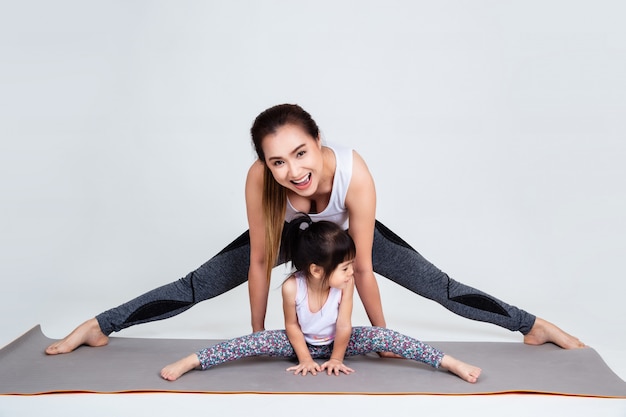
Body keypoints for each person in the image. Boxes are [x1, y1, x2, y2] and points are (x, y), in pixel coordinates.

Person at [45, 103, 584, 356]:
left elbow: (365, 266)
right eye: (277, 161)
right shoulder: (262, 180)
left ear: (318, 141)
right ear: (265, 163)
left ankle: (531, 325)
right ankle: (99, 325)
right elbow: (260, 263)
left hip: (342, 243)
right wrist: (257, 336)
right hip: (286, 239)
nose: (292, 171)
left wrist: (384, 338)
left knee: (437, 283)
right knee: (194, 285)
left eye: (299, 153)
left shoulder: (355, 172)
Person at [160, 217, 481, 383]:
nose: (351, 272)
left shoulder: (345, 286)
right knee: (248, 343)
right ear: (315, 270)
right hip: (296, 344)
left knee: (386, 336)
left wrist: (337, 359)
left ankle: (448, 362)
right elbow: (291, 327)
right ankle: (192, 361)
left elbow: (344, 325)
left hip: (341, 343)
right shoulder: (291, 288)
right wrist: (304, 359)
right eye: (344, 267)